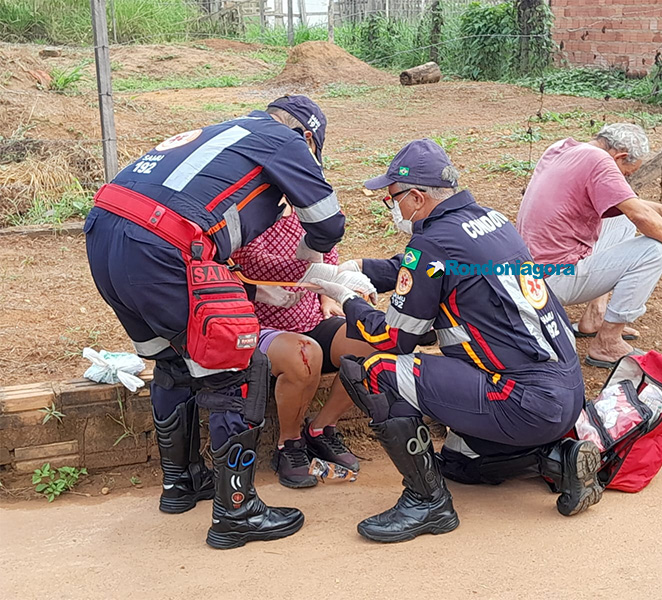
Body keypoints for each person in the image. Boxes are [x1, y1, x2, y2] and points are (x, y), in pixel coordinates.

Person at [84, 95, 372, 549]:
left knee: (172, 364)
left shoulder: (224, 132)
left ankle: (182, 485)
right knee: (235, 369)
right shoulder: (286, 140)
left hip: (104, 235)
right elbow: (328, 223)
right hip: (166, 249)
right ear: (310, 139)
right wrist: (316, 268)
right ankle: (236, 511)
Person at [308, 139, 604, 543]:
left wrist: (347, 300)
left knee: (375, 372)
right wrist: (359, 267)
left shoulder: (432, 242)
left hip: (520, 400)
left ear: (416, 196)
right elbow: (423, 268)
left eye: (391, 199)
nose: (391, 208)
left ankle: (427, 503)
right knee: (458, 461)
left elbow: (396, 337)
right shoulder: (490, 221)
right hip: (564, 396)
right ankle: (557, 460)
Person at [517, 123, 662, 368]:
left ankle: (595, 316)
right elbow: (640, 216)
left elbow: (628, 206)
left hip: (528, 273)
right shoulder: (600, 161)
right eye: (626, 173)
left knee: (620, 218)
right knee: (653, 252)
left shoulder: (562, 148)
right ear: (620, 156)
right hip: (553, 279)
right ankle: (608, 343)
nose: (624, 178)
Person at [231, 200, 375, 488]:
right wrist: (325, 277)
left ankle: (321, 429)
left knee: (371, 339)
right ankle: (290, 444)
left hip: (309, 315)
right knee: (305, 354)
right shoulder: (246, 209)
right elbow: (253, 262)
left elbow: (328, 254)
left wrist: (328, 296)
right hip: (254, 323)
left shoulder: (314, 207)